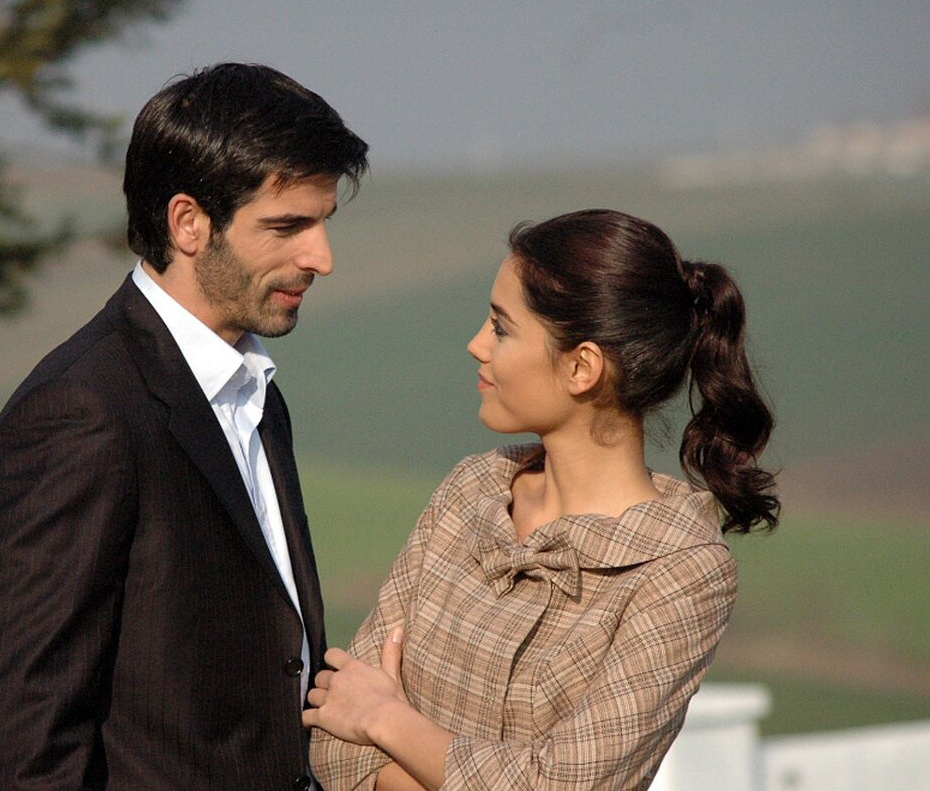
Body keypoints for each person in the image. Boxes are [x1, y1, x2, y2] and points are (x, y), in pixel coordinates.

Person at [0, 63, 368, 791]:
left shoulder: (255, 394)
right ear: (187, 223)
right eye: (287, 226)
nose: (321, 259)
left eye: (323, 222)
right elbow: (15, 750)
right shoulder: (82, 413)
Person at [304, 209, 779, 790]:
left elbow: (560, 785)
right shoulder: (471, 490)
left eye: (501, 328)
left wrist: (386, 719)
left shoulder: (681, 570)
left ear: (582, 367)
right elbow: (334, 733)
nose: (476, 344)